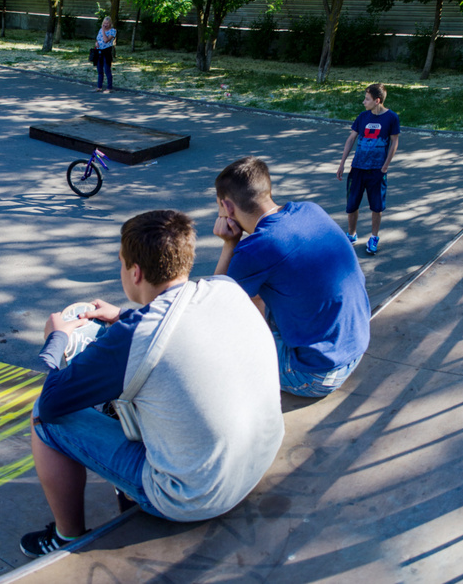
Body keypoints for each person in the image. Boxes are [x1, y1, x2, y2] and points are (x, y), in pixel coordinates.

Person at [21, 210, 284, 557]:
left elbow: (54, 402)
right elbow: (175, 319)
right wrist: (121, 316)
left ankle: (67, 536)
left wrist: (55, 339)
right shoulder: (226, 289)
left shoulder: (133, 337)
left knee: (42, 417)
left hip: (194, 496)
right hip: (259, 456)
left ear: (135, 271)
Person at [214, 156, 369, 398]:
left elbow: (215, 304)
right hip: (355, 345)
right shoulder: (310, 209)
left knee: (222, 341)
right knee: (262, 292)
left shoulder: (255, 249)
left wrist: (229, 245)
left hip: (315, 376)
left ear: (227, 207)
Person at [336, 83, 400, 254]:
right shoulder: (363, 117)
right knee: (352, 205)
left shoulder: (391, 118)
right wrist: (342, 163)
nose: (364, 102)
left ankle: (373, 237)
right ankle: (351, 235)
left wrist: (385, 165)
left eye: (367, 99)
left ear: (377, 100)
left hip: (377, 171)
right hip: (357, 169)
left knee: (376, 207)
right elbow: (351, 139)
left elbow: (394, 142)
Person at [93, 17, 117, 93]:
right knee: (99, 70)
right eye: (104, 23)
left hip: (106, 51)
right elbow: (98, 39)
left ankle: (109, 87)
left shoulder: (113, 31)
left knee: (107, 70)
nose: (105, 25)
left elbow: (106, 40)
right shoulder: (100, 30)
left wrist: (103, 31)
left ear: (110, 24)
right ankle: (99, 86)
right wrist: (96, 43)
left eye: (107, 23)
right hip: (99, 51)